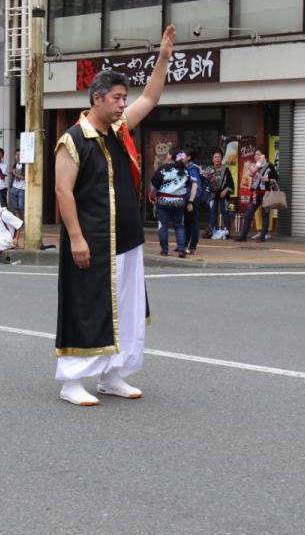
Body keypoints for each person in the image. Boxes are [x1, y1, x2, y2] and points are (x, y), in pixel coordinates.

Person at [53, 24, 176, 406]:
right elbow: (62, 191)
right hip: (90, 240)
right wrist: (75, 237)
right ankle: (72, 380)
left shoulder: (119, 130)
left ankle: (113, 375)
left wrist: (164, 59)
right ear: (97, 98)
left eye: (125, 98)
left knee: (126, 308)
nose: (124, 104)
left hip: (126, 239)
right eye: (118, 98)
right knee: (87, 308)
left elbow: (152, 98)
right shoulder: (73, 139)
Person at [151, 149, 191, 257]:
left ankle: (164, 250)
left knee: (163, 226)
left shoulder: (164, 168)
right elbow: (188, 184)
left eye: (168, 153)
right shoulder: (185, 170)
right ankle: (181, 249)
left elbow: (154, 182)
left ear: (170, 156)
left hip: (164, 200)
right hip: (179, 201)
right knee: (179, 226)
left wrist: (154, 192)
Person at [235, 150, 278, 242]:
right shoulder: (254, 166)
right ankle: (243, 236)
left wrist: (268, 180)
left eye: (258, 154)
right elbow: (249, 174)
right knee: (248, 214)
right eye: (255, 154)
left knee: (265, 215)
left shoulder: (269, 166)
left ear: (263, 156)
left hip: (266, 194)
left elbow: (276, 179)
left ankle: (262, 237)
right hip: (255, 194)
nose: (256, 156)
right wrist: (257, 166)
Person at [202, 149, 234, 239]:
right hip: (212, 194)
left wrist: (226, 190)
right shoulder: (208, 170)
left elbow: (231, 184)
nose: (217, 159)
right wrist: (209, 192)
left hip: (223, 194)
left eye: (219, 157)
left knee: (225, 212)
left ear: (222, 158)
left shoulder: (226, 170)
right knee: (213, 213)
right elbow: (205, 184)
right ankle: (213, 231)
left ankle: (227, 232)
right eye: (215, 157)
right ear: (212, 159)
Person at [182, 149, 204, 254]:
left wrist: (191, 201)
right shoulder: (186, 168)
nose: (181, 156)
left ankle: (193, 246)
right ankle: (185, 245)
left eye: (183, 155)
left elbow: (195, 186)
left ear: (189, 157)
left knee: (193, 223)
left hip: (193, 198)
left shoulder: (192, 169)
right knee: (187, 223)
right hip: (188, 198)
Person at [10, 149, 26, 214]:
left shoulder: (25, 165)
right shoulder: (15, 165)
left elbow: (24, 177)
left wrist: (15, 174)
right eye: (16, 154)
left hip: (22, 188)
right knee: (15, 208)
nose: (18, 156)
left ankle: (23, 223)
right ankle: (19, 224)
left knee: (21, 207)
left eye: (19, 154)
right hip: (14, 187)